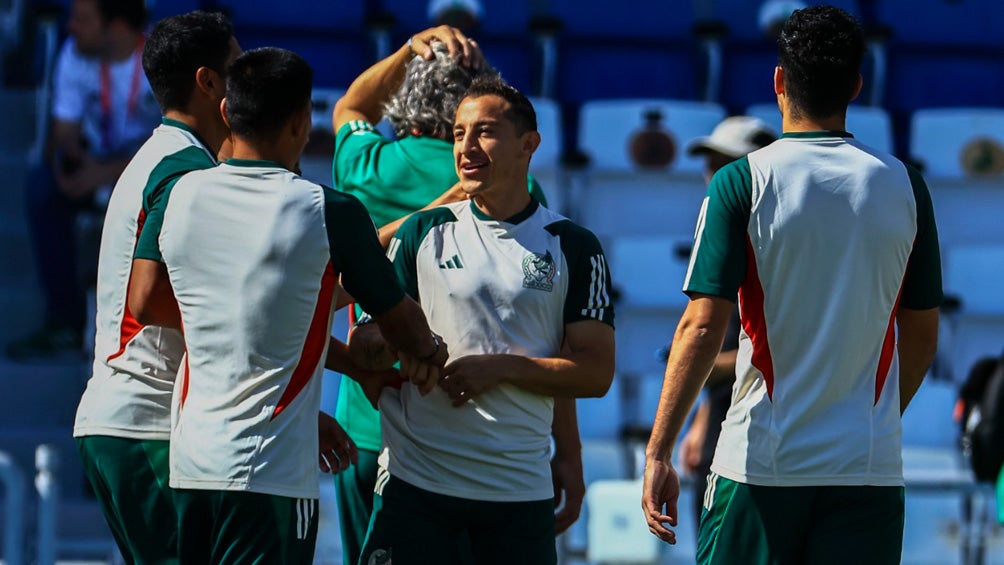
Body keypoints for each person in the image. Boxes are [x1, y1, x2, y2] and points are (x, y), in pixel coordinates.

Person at [641, 6, 942, 564]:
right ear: (856, 85)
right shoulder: (907, 186)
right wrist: (866, 423)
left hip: (760, 469)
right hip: (866, 473)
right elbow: (923, 334)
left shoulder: (740, 181)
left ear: (779, 81)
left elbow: (702, 325)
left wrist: (658, 450)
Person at [128, 46, 446, 564]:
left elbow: (148, 300)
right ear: (302, 121)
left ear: (228, 112)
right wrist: (430, 352)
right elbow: (402, 325)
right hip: (269, 471)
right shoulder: (329, 211)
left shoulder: (176, 194)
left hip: (188, 465)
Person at [330, 26, 584, 565]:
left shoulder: (364, 164)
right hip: (483, 438)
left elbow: (351, 104)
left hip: (368, 416)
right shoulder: (512, 181)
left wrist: (406, 50)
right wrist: (569, 451)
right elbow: (545, 325)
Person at [70, 12, 242, 563]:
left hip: (126, 423)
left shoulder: (160, 159)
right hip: (144, 424)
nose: (246, 83)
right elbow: (151, 301)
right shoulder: (187, 171)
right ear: (207, 81)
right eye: (236, 68)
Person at [8, 0, 159, 360]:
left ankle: (149, 324)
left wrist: (107, 173)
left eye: (83, 19)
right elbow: (63, 131)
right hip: (95, 162)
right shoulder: (73, 55)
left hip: (150, 171)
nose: (71, 26)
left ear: (118, 26)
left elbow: (179, 145)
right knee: (43, 189)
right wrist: (70, 162)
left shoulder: (158, 60)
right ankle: (64, 321)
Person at [676, 116, 777, 534]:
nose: (714, 178)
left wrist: (700, 365)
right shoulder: (728, 237)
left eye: (727, 166)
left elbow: (778, 345)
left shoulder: (775, 243)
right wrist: (701, 419)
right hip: (726, 423)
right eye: (711, 166)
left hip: (763, 435)